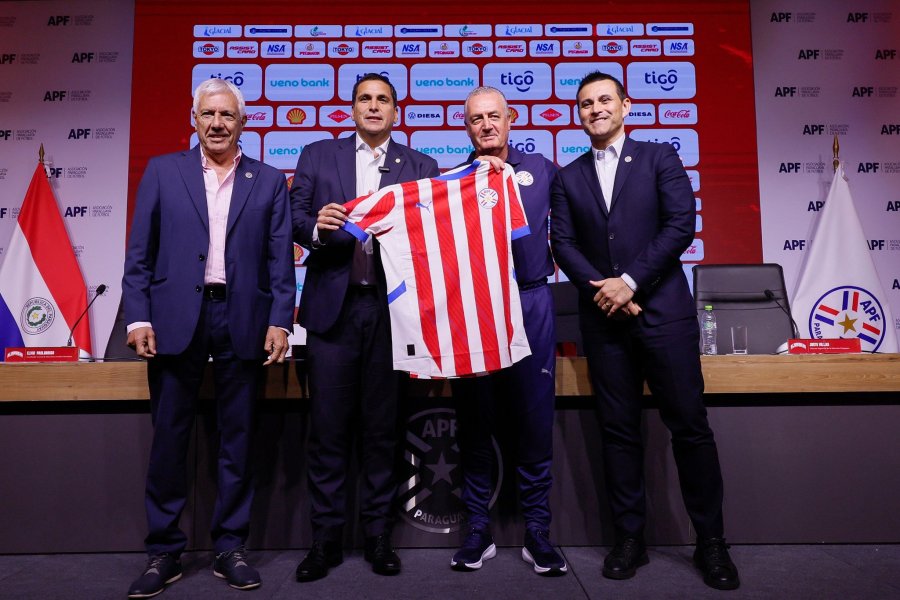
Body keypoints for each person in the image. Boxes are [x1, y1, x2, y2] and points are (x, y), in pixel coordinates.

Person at [549, 71, 740, 591]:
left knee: (690, 428)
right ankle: (629, 539)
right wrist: (604, 289)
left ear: (626, 106)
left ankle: (712, 542)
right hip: (604, 322)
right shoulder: (567, 176)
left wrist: (629, 282)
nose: (595, 109)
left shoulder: (660, 157)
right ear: (579, 114)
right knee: (618, 432)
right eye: (585, 103)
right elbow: (562, 244)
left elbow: (680, 224)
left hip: (663, 316)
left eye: (604, 100)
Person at [122, 78, 295, 597]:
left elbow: (278, 258)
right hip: (175, 319)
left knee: (237, 441)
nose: (217, 123)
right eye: (207, 114)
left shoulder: (267, 181)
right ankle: (164, 551)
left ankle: (230, 547)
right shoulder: (162, 171)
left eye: (227, 115)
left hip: (242, 318)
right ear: (193, 118)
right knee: (170, 439)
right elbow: (139, 255)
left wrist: (280, 320)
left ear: (243, 122)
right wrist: (137, 318)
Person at [290, 73, 439, 581]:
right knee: (327, 431)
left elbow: (433, 241)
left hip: (393, 316)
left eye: (382, 100)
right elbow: (292, 218)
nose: (373, 107)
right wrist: (317, 227)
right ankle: (325, 540)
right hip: (333, 312)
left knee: (383, 430)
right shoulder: (317, 155)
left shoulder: (421, 167)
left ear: (396, 112)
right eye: (364, 99)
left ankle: (377, 537)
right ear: (351, 108)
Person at [448, 87, 567, 576]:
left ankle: (537, 532)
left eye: (494, 116)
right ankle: (477, 529)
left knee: (534, 422)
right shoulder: (451, 180)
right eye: (476, 119)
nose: (486, 125)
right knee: (475, 421)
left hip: (530, 300)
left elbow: (571, 234)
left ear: (511, 117)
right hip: (474, 307)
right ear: (466, 126)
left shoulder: (541, 170)